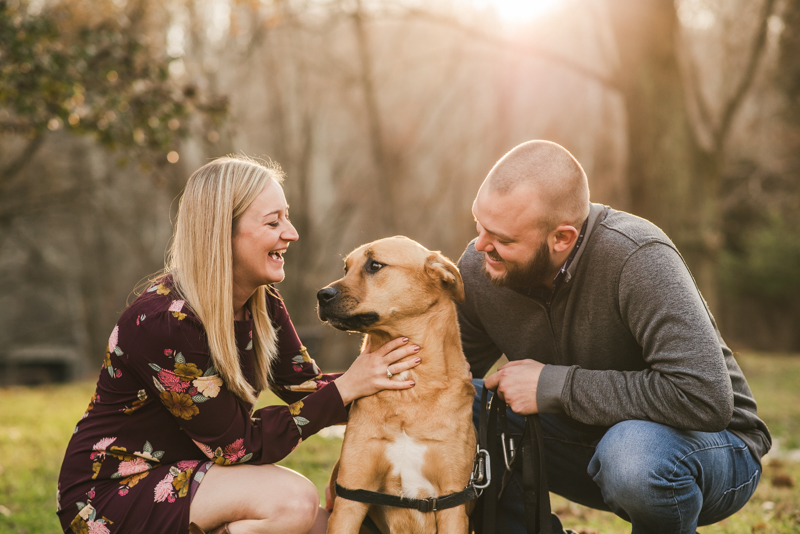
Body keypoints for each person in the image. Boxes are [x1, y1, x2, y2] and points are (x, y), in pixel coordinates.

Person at [56, 156, 422, 534]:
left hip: (193, 479)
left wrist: (392, 381)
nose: (292, 233)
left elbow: (305, 389)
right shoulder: (166, 322)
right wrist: (349, 386)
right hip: (112, 496)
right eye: (273, 222)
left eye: (287, 216)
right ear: (221, 234)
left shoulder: (261, 304)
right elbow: (236, 447)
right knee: (292, 502)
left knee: (325, 527)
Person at [456, 140, 771, 534]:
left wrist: (555, 385)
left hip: (706, 449)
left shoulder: (637, 258)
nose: (482, 246)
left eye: (503, 239)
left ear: (562, 239)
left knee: (631, 453)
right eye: (479, 226)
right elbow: (444, 375)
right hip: (580, 444)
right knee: (463, 407)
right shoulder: (480, 268)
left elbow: (705, 397)